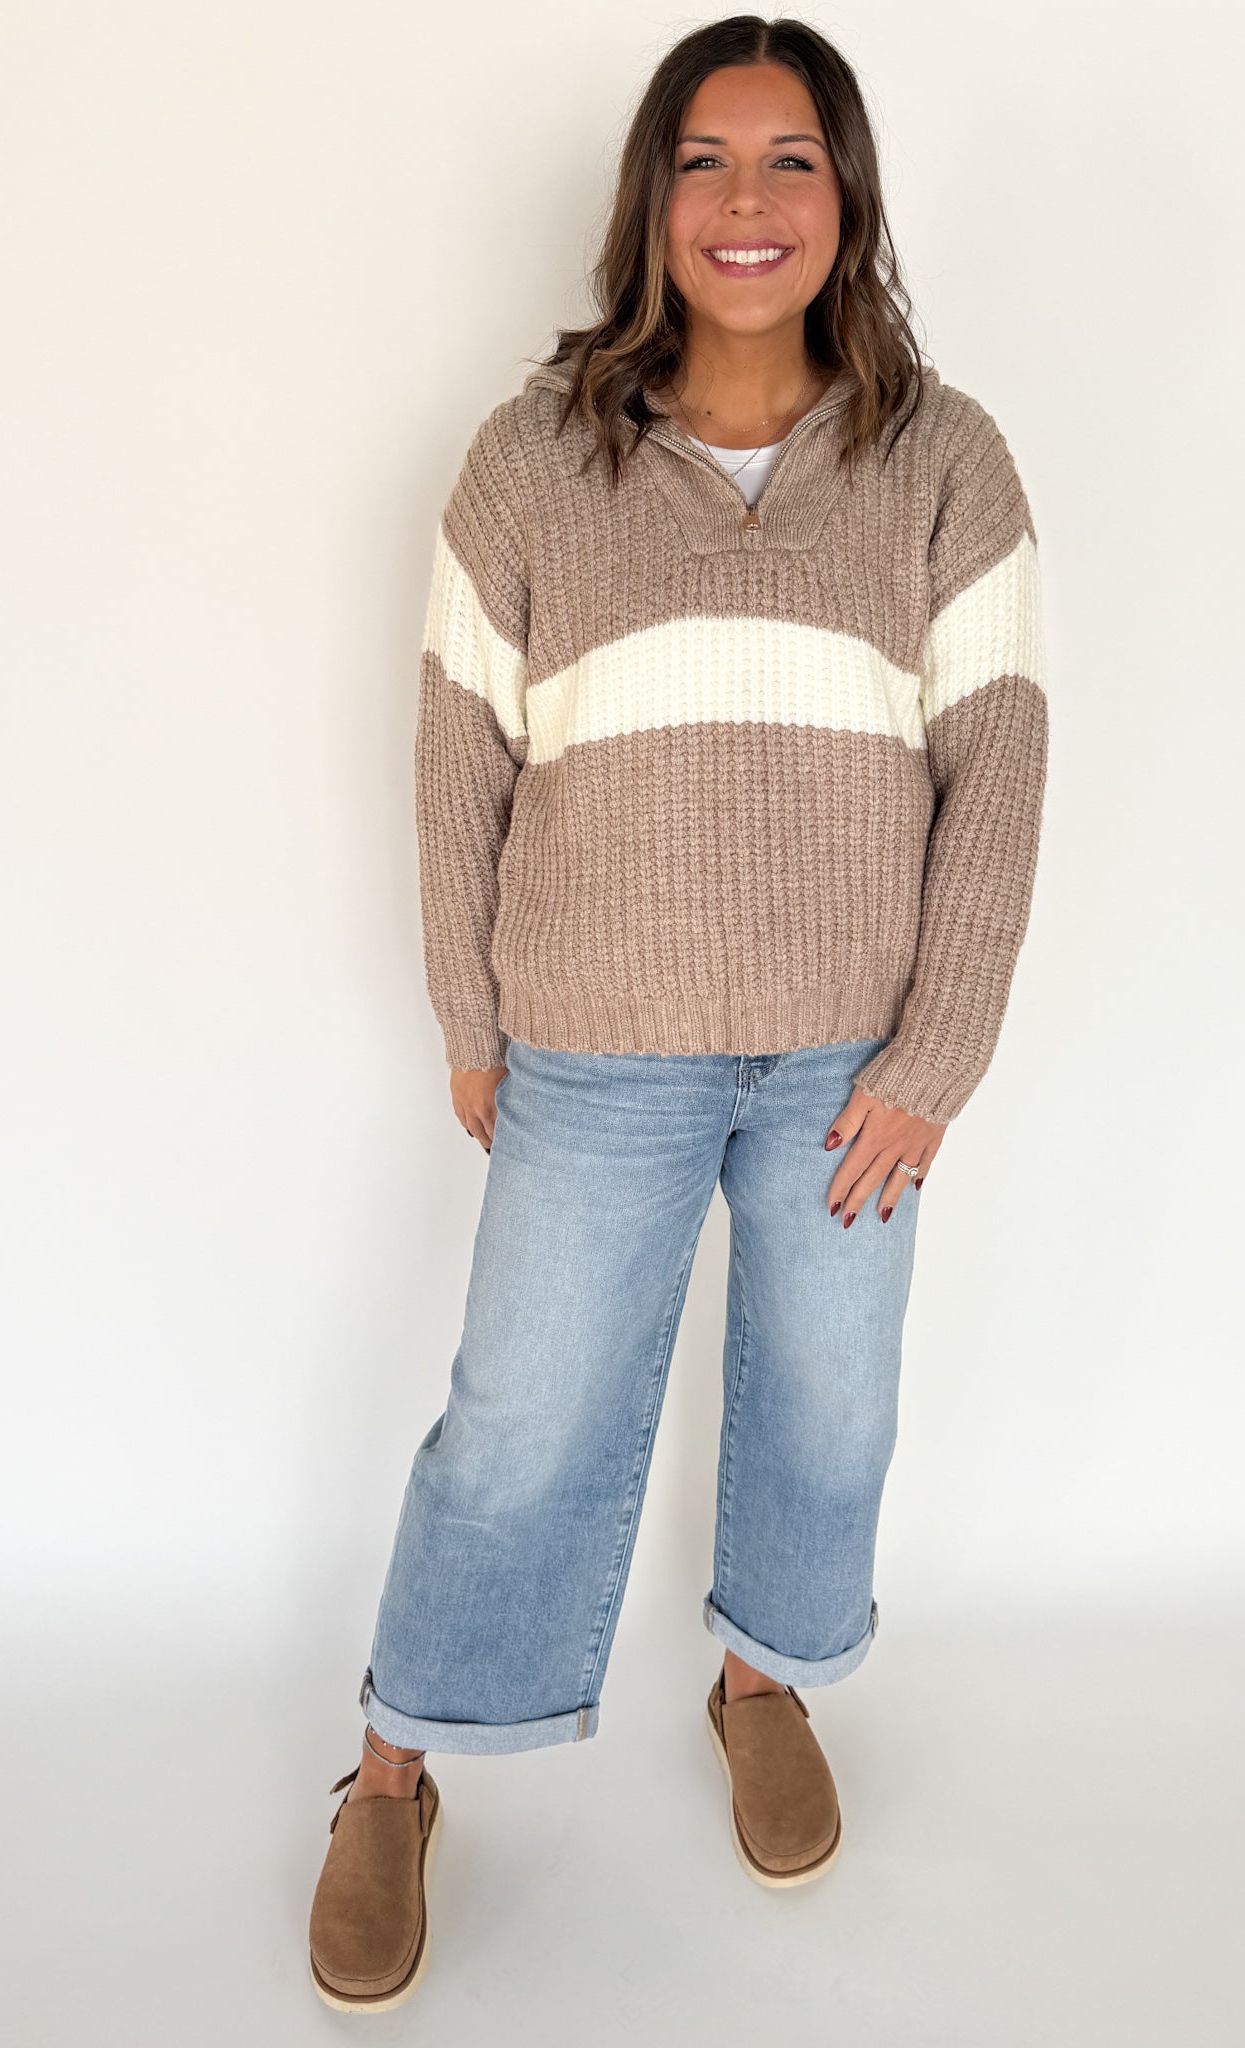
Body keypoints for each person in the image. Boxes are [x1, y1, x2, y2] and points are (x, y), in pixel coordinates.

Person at [308, 13, 1048, 2013]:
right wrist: (471, 1015)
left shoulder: (946, 461)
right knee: (520, 1421)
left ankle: (762, 1678)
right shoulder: (533, 457)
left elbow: (999, 769)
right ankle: (393, 1766)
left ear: (847, 201)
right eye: (705, 160)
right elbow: (456, 756)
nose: (747, 201)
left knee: (832, 1402)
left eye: (791, 159)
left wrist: (939, 1057)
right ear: (652, 200)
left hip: (851, 1068)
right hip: (592, 1044)